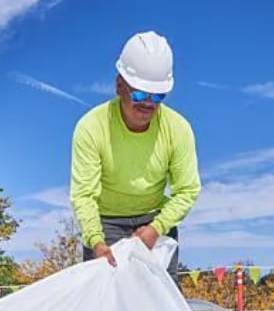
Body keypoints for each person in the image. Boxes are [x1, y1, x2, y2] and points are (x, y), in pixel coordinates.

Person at [69, 31, 201, 275]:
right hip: (104, 222)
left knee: (159, 299)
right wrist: (96, 240)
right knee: (106, 303)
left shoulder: (178, 129)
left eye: (158, 96)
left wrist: (157, 228)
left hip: (156, 219)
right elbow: (83, 195)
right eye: (140, 94)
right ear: (120, 85)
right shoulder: (91, 127)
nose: (148, 103)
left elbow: (188, 190)